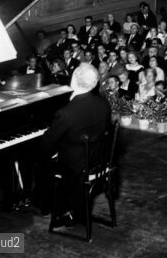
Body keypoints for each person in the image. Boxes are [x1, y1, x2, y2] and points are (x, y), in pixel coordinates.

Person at [37, 63, 111, 226]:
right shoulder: (103, 103)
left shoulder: (66, 113)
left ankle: (59, 209)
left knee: (41, 163)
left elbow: (45, 145)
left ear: (73, 81)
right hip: (100, 159)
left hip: (77, 167)